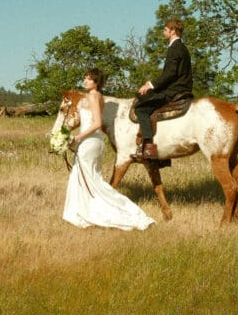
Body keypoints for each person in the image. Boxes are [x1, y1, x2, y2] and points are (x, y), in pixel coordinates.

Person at [62, 67, 155, 231]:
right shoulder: (100, 97)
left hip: (89, 141)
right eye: (84, 78)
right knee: (91, 178)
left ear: (96, 82)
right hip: (96, 142)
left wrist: (77, 137)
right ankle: (85, 209)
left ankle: (95, 211)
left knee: (89, 178)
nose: (85, 81)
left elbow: (97, 123)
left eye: (89, 79)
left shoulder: (92, 96)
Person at [133, 18, 193, 161]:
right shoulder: (181, 47)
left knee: (141, 108)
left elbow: (170, 73)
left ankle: (148, 148)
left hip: (174, 90)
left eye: (165, 30)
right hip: (179, 87)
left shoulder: (175, 48)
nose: (164, 32)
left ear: (173, 31)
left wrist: (150, 85)